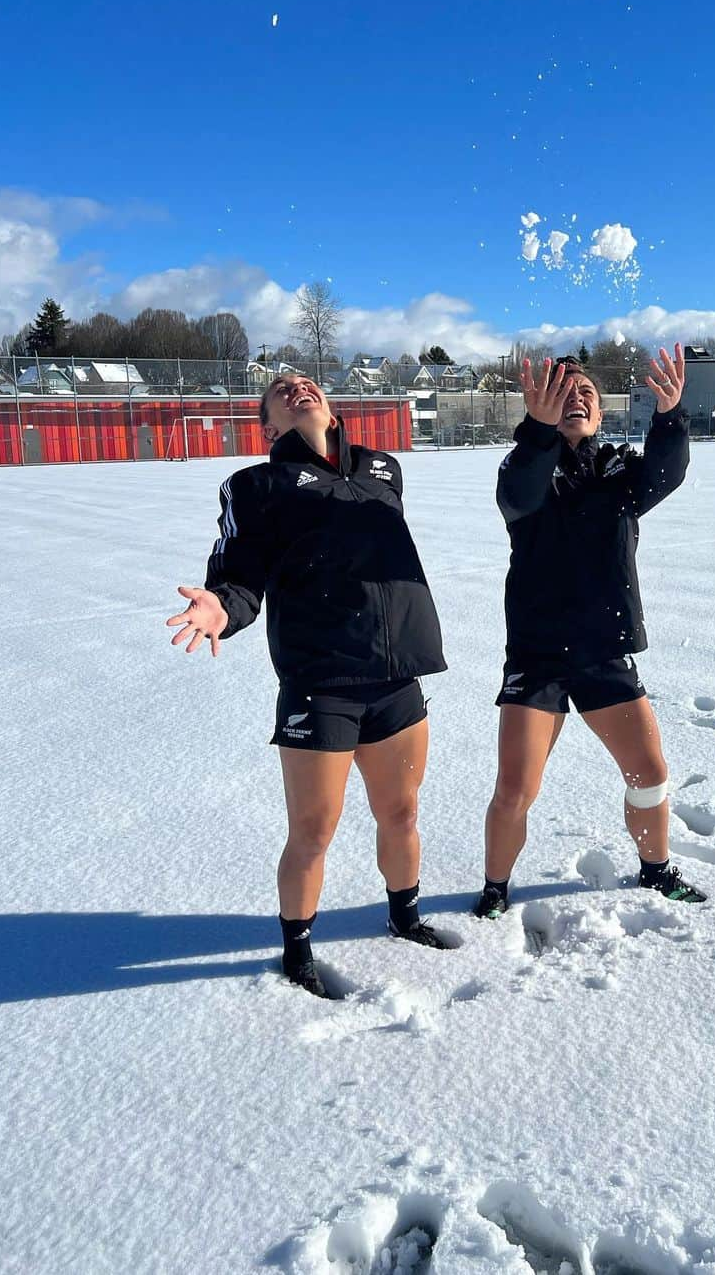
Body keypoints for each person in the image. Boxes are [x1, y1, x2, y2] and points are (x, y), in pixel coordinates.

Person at [166, 373, 448, 997]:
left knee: (400, 812)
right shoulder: (255, 486)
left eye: (307, 382)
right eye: (281, 389)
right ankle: (297, 949)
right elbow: (238, 575)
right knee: (314, 831)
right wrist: (221, 606)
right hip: (321, 685)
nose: (298, 388)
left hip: (397, 676)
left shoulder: (383, 469)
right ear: (267, 423)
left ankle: (405, 916)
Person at [475, 345, 707, 919]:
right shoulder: (524, 466)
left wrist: (671, 415)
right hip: (538, 654)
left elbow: (665, 472)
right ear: (541, 404)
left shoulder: (617, 470)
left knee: (649, 773)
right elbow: (519, 495)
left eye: (587, 395)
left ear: (602, 413)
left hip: (604, 650)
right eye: (564, 391)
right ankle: (496, 889)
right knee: (515, 790)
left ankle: (655, 871)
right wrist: (539, 431)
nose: (576, 399)